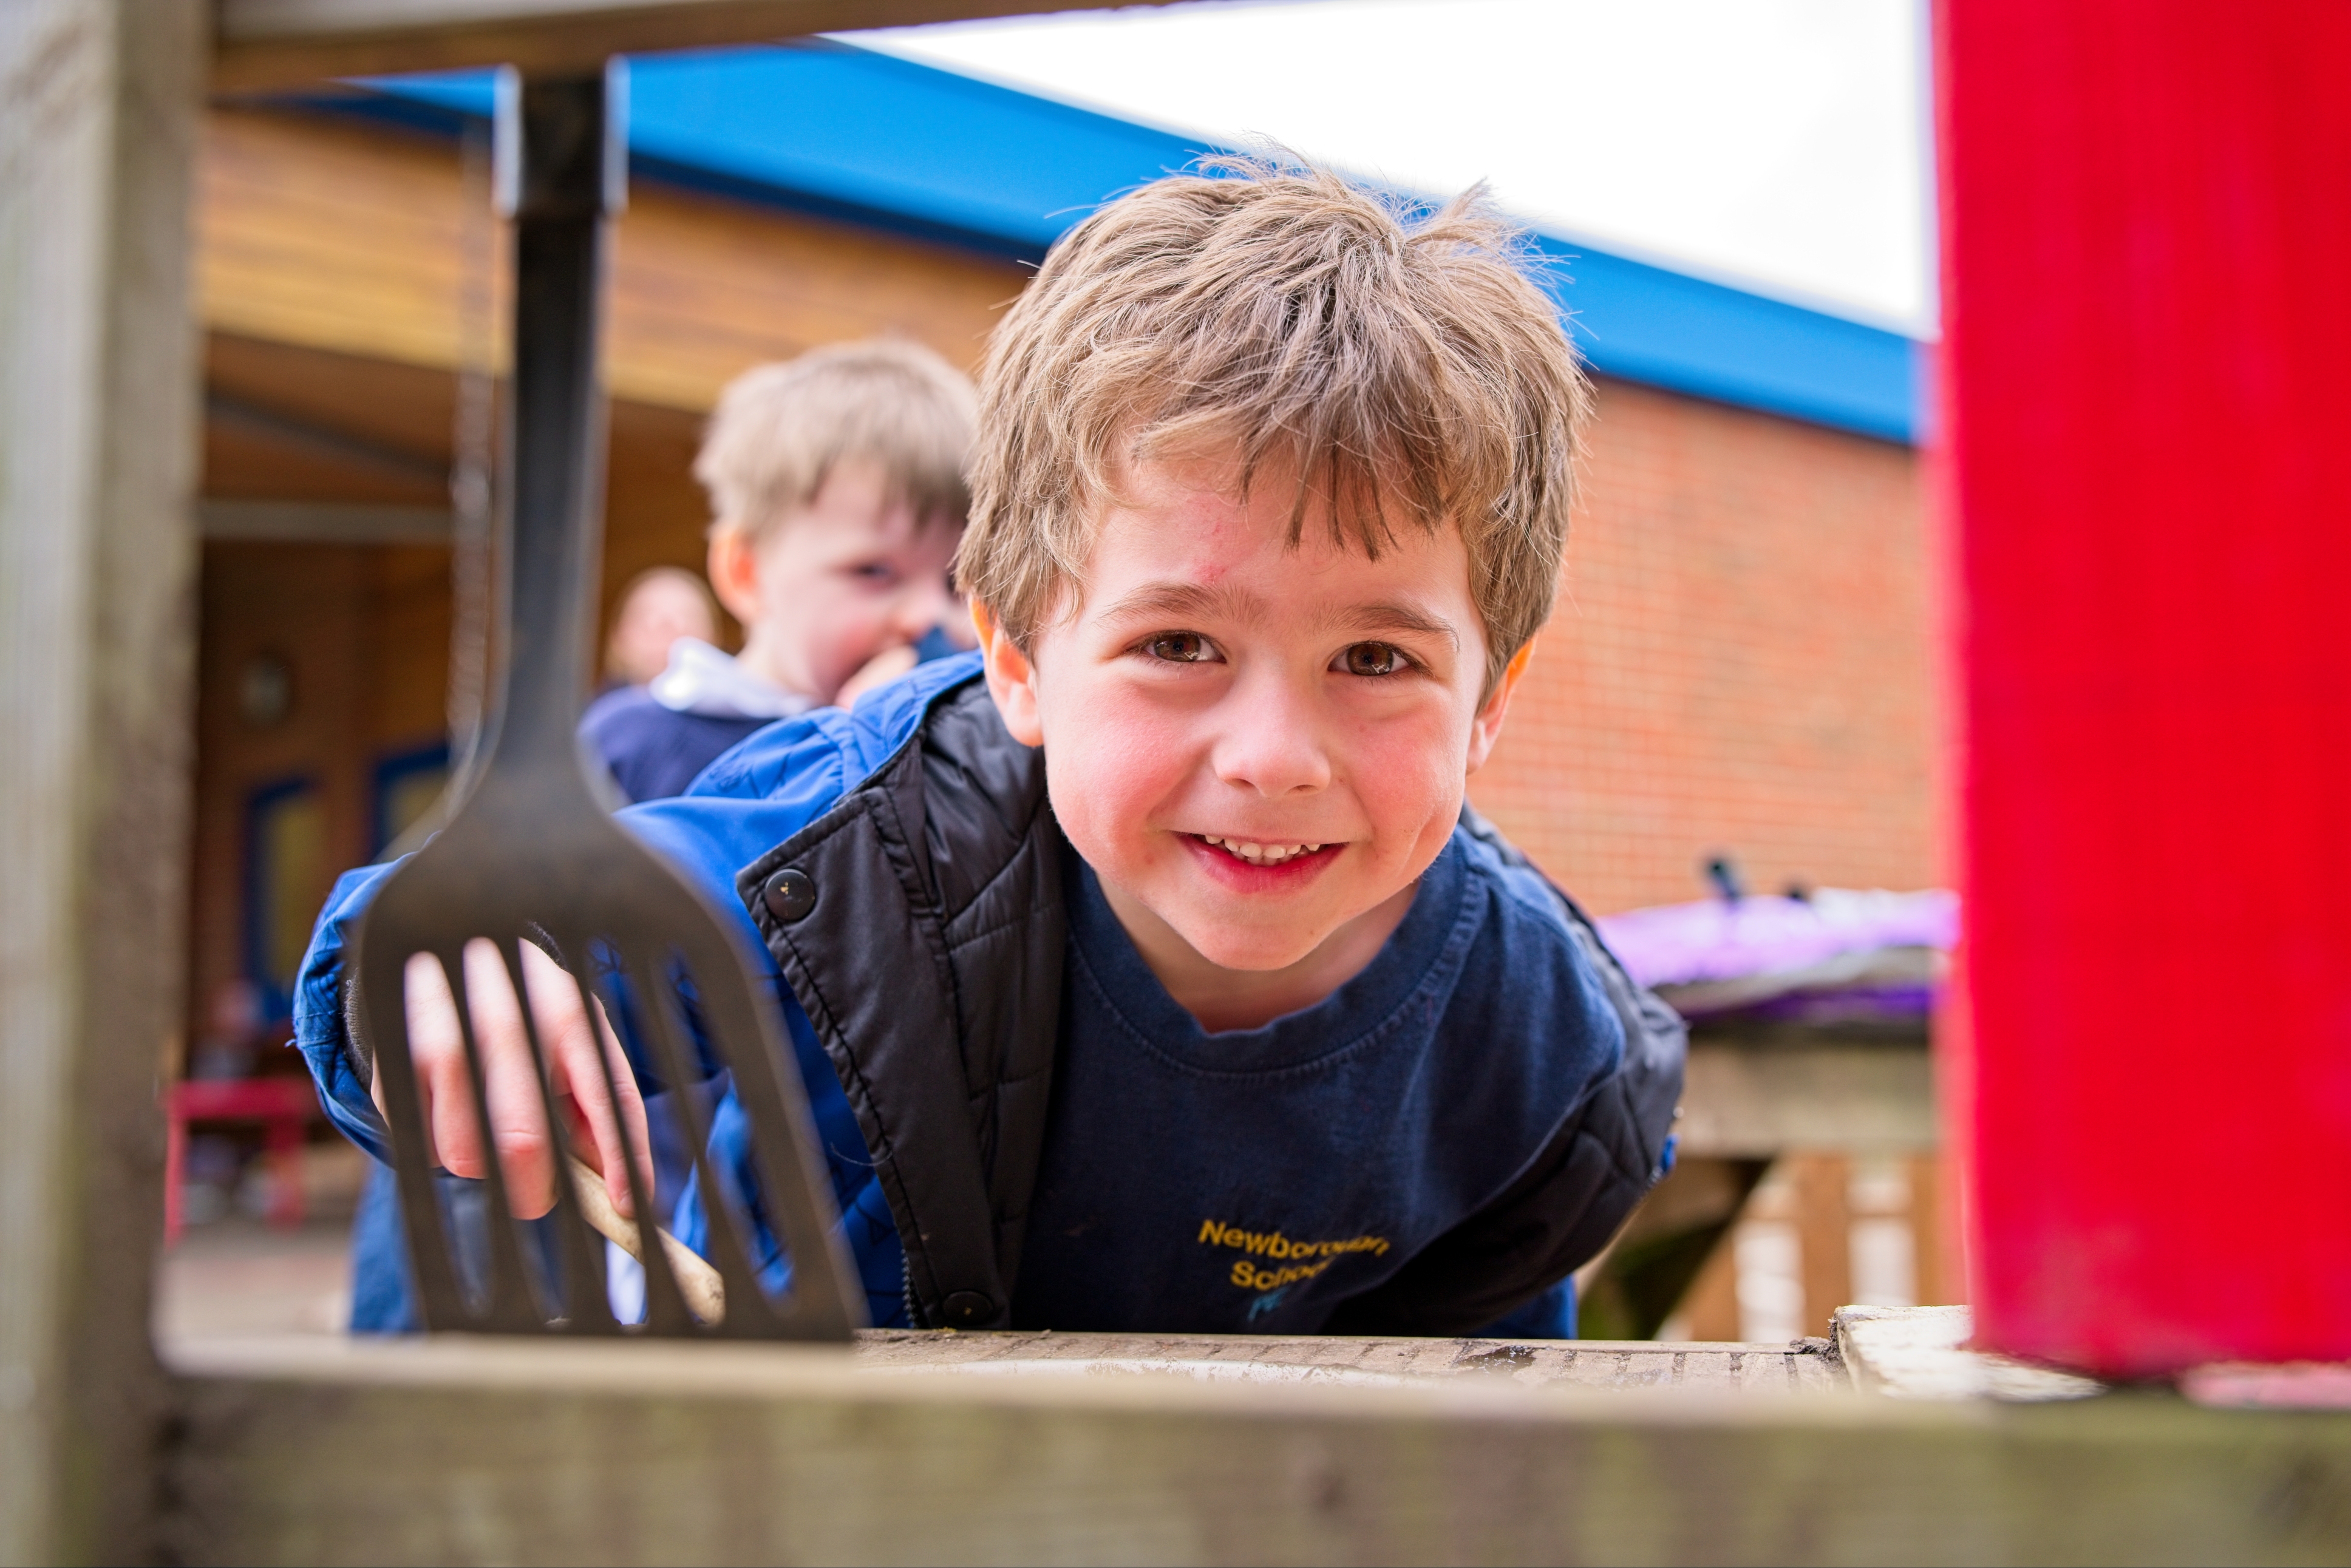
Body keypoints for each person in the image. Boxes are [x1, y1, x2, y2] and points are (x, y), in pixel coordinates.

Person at [295, 162, 1683, 1339]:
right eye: (1179, 646)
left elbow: (1480, 1451)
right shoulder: (856, 860)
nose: (1274, 755)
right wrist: (455, 961)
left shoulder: (1538, 1053)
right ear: (1014, 657)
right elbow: (505, 919)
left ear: (1490, 698)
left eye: (1375, 660)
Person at [580, 340, 976, 803]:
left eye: (955, 583)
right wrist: (852, 751)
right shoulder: (632, 746)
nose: (927, 613)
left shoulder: (969, 756)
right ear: (746, 573)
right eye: (874, 571)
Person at [601, 565, 720, 690]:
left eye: (688, 617)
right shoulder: (600, 708)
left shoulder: (734, 706)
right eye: (646, 617)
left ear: (715, 640)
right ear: (617, 637)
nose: (666, 632)